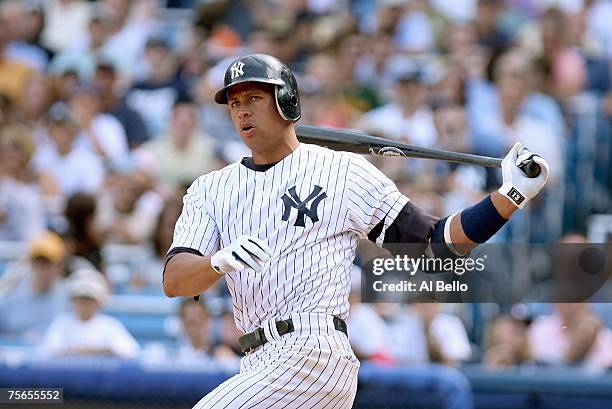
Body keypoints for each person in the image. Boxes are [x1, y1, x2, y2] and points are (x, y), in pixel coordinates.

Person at [162, 54, 550, 408]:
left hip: (312, 352)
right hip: (257, 360)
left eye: (254, 99)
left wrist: (509, 196)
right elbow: (176, 281)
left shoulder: (342, 172)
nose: (242, 111)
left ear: (287, 102)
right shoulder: (210, 188)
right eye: (234, 103)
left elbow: (435, 246)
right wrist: (218, 261)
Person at [39, 268, 140, 359]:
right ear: (73, 300)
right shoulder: (62, 322)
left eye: (89, 299)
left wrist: (102, 351)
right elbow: (46, 352)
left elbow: (131, 352)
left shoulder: (110, 325)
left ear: (98, 302)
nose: (84, 304)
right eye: (80, 299)